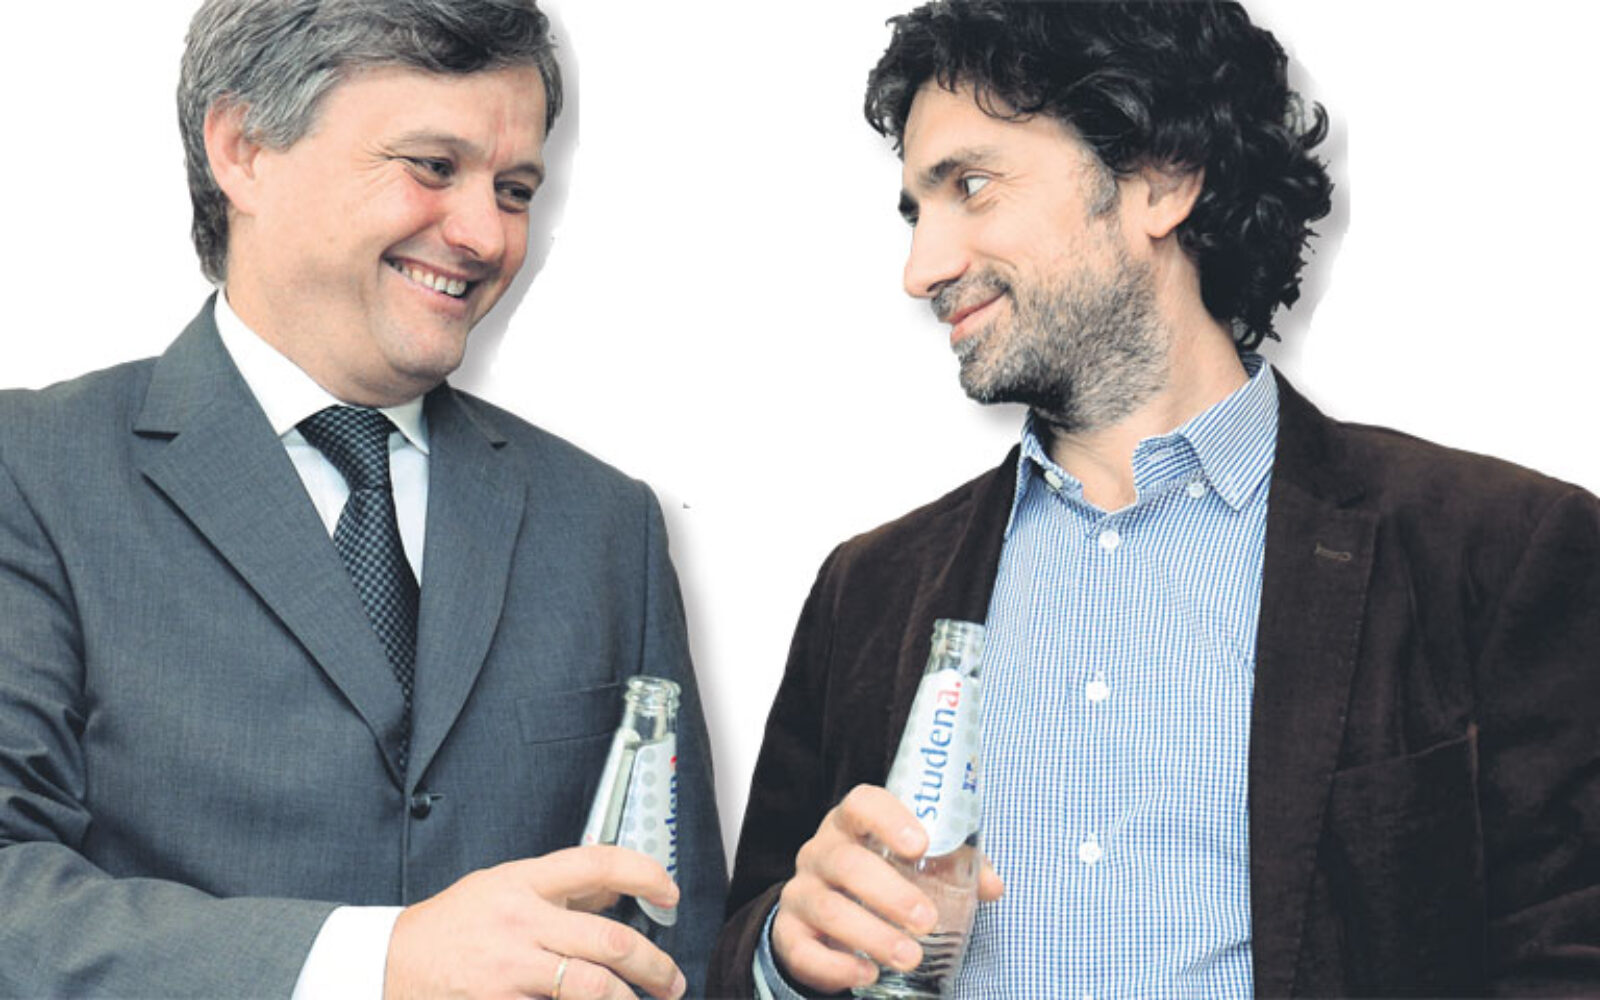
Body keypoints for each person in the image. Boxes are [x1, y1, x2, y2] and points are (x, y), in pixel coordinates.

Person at [710, 1, 1600, 996]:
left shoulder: (1494, 551)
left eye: (971, 186)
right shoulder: (867, 590)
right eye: (918, 212)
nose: (923, 269)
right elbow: (744, 944)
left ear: (1160, 178)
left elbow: (1569, 953)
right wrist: (787, 955)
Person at [0, 1, 725, 997]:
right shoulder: (32, 471)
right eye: (431, 165)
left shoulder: (607, 525)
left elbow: (675, 940)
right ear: (244, 149)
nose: (484, 235)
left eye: (514, 189)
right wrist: (376, 961)